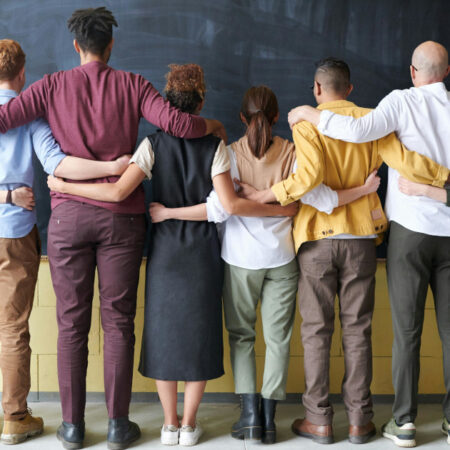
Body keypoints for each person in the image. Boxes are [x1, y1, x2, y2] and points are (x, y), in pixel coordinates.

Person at [0, 7, 228, 450]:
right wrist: (214, 126)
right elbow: (180, 125)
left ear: (75, 47)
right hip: (122, 217)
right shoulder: (133, 85)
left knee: (71, 325)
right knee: (119, 323)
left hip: (67, 218)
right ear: (112, 45)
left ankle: (71, 428)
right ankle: (119, 427)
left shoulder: (49, 86)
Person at [48, 65, 297, 447]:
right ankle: (189, 424)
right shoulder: (215, 145)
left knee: (163, 334)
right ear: (200, 102)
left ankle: (168, 424)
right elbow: (226, 204)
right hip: (202, 251)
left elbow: (116, 194)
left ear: (166, 104)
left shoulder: (151, 145)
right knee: (199, 334)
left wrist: (64, 184)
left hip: (164, 252)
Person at [147, 85, 381, 445]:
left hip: (239, 260)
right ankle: (270, 419)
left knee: (242, 337)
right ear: (276, 117)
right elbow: (307, 201)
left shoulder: (228, 153)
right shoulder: (292, 151)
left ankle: (250, 417)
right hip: (283, 258)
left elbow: (219, 208)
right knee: (278, 340)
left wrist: (246, 200)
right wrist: (282, 208)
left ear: (242, 118)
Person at [236, 57, 450, 446]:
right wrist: (443, 177)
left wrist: (266, 195)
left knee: (316, 332)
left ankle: (318, 419)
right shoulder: (373, 119)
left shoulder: (306, 123)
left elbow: (309, 178)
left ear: (317, 89)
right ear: (349, 89)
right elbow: (404, 161)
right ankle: (359, 421)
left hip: (317, 239)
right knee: (358, 331)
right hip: (361, 239)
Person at [0, 39, 130, 446]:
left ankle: (55, 422)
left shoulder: (31, 113)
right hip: (14, 230)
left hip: (35, 227)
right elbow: (57, 164)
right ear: (23, 73)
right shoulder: (31, 120)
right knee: (14, 326)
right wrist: (111, 168)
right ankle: (18, 417)